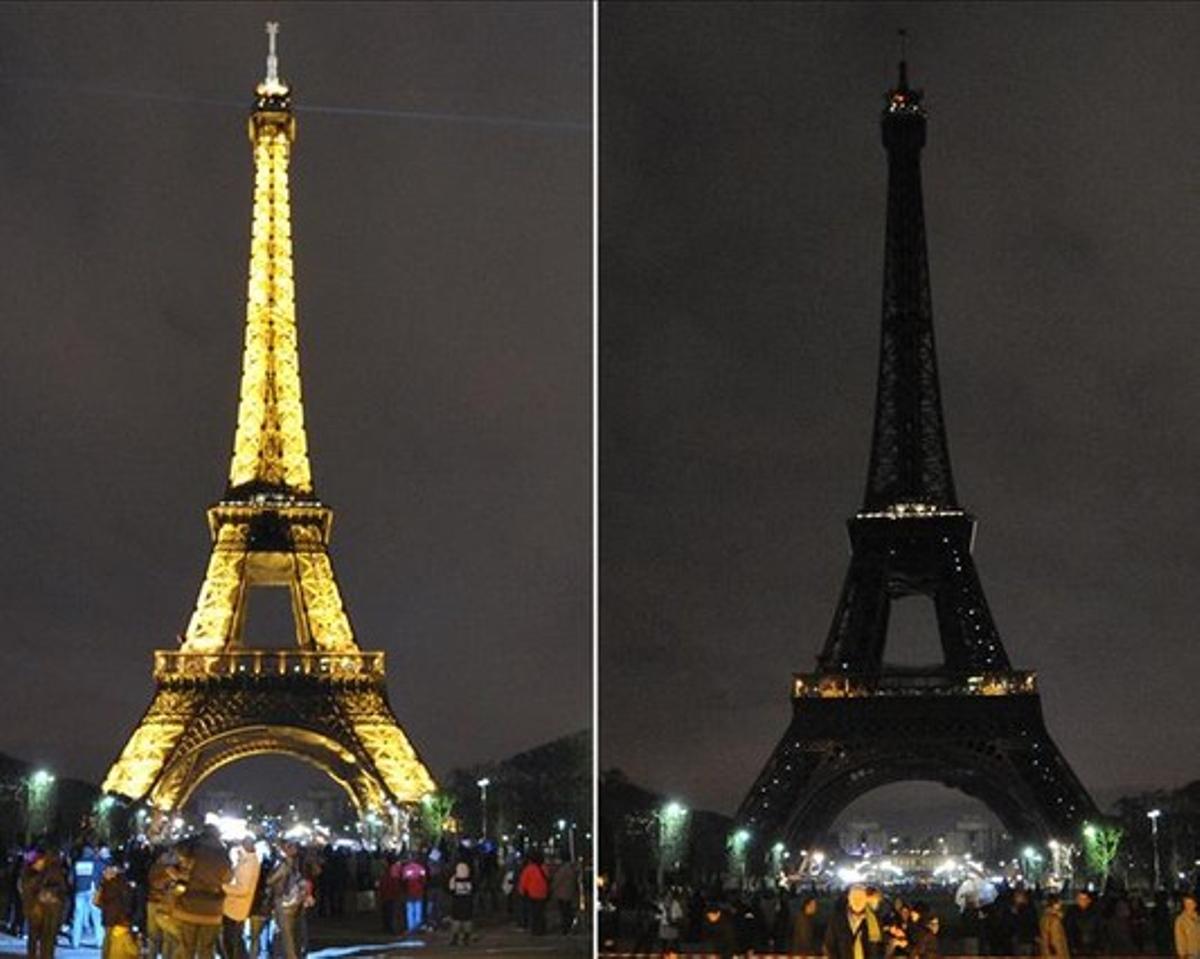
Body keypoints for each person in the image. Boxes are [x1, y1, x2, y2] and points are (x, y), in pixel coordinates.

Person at [173, 827, 230, 959]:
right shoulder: (223, 853)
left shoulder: (194, 849)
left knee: (187, 947)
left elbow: (177, 848)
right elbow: (227, 877)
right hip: (212, 910)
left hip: (190, 906)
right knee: (207, 949)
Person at [21, 844, 68, 959]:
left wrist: (48, 894)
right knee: (36, 938)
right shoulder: (32, 870)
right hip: (37, 910)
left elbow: (61, 889)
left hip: (49, 910)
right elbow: (26, 887)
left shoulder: (52, 871)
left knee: (47, 939)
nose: (36, 864)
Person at [220, 837, 260, 959]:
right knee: (234, 941)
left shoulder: (248, 863)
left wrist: (223, 887)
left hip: (235, 908)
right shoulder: (247, 861)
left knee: (233, 943)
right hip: (235, 907)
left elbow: (243, 889)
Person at [266, 843, 303, 959]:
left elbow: (270, 881)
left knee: (286, 933)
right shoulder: (296, 865)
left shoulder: (284, 865)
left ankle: (291, 956)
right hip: (293, 901)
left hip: (283, 900)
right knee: (288, 931)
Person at [825, 885, 880, 959]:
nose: (857, 901)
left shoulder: (874, 920)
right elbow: (830, 946)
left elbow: (880, 946)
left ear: (865, 900)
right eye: (854, 898)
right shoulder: (837, 920)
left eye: (860, 898)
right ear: (849, 900)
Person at [96, 860, 136, 959]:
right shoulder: (126, 884)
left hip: (109, 916)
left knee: (108, 941)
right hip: (122, 918)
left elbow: (96, 901)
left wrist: (105, 906)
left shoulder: (105, 884)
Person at [70, 844, 103, 949]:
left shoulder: (77, 863)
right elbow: (102, 874)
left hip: (79, 891)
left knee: (78, 917)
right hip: (92, 891)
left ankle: (75, 942)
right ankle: (100, 942)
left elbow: (71, 879)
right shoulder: (96, 863)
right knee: (96, 917)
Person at [517, 850, 550, 936]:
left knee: (534, 912)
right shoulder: (544, 868)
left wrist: (521, 892)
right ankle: (542, 928)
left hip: (532, 893)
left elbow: (523, 882)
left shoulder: (529, 869)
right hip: (543, 892)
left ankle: (536, 930)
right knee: (541, 912)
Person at [1066, 891, 1102, 956]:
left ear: (1089, 900)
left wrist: (1099, 947)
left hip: (1092, 947)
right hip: (1077, 947)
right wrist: (1072, 946)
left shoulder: (1096, 913)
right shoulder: (1072, 913)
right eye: (1080, 899)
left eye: (1084, 899)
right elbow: (1069, 931)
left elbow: (1100, 930)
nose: (1082, 901)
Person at [447, 862, 474, 946]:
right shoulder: (470, 880)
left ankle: (455, 938)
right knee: (467, 920)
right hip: (467, 902)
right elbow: (473, 890)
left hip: (457, 902)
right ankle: (467, 937)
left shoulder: (454, 879)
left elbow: (451, 890)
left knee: (456, 920)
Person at [399, 852, 427, 934]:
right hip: (419, 891)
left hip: (409, 891)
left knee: (410, 910)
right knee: (418, 909)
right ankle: (417, 926)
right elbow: (424, 880)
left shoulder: (406, 869)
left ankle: (411, 927)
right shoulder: (421, 868)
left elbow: (403, 880)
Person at [551, 858, 578, 936]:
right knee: (568, 912)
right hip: (570, 894)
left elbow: (556, 881)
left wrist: (553, 889)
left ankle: (565, 929)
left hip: (562, 894)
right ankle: (569, 928)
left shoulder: (562, 870)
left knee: (564, 912)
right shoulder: (572, 870)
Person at [1040, 894, 1070, 959]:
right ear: (1054, 904)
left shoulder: (1051, 917)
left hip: (1054, 949)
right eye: (1059, 902)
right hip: (1055, 951)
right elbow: (1048, 935)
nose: (1061, 904)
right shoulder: (1051, 918)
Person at [1176, 893, 1200, 959]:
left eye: (1191, 903)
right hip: (1190, 954)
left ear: (1195, 904)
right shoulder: (1181, 920)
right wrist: (1182, 954)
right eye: (1186, 903)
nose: (1188, 906)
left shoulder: (1198, 918)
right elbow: (1179, 938)